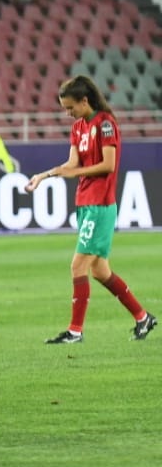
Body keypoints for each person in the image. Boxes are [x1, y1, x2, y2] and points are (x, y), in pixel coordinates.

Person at [26, 76, 156, 344]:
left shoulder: (106, 124)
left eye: (70, 107)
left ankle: (75, 331)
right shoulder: (78, 127)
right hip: (85, 202)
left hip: (100, 204)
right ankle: (143, 317)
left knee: (78, 265)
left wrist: (75, 172)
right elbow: (71, 163)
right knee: (99, 271)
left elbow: (108, 165)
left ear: (84, 101)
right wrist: (44, 175)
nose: (68, 113)